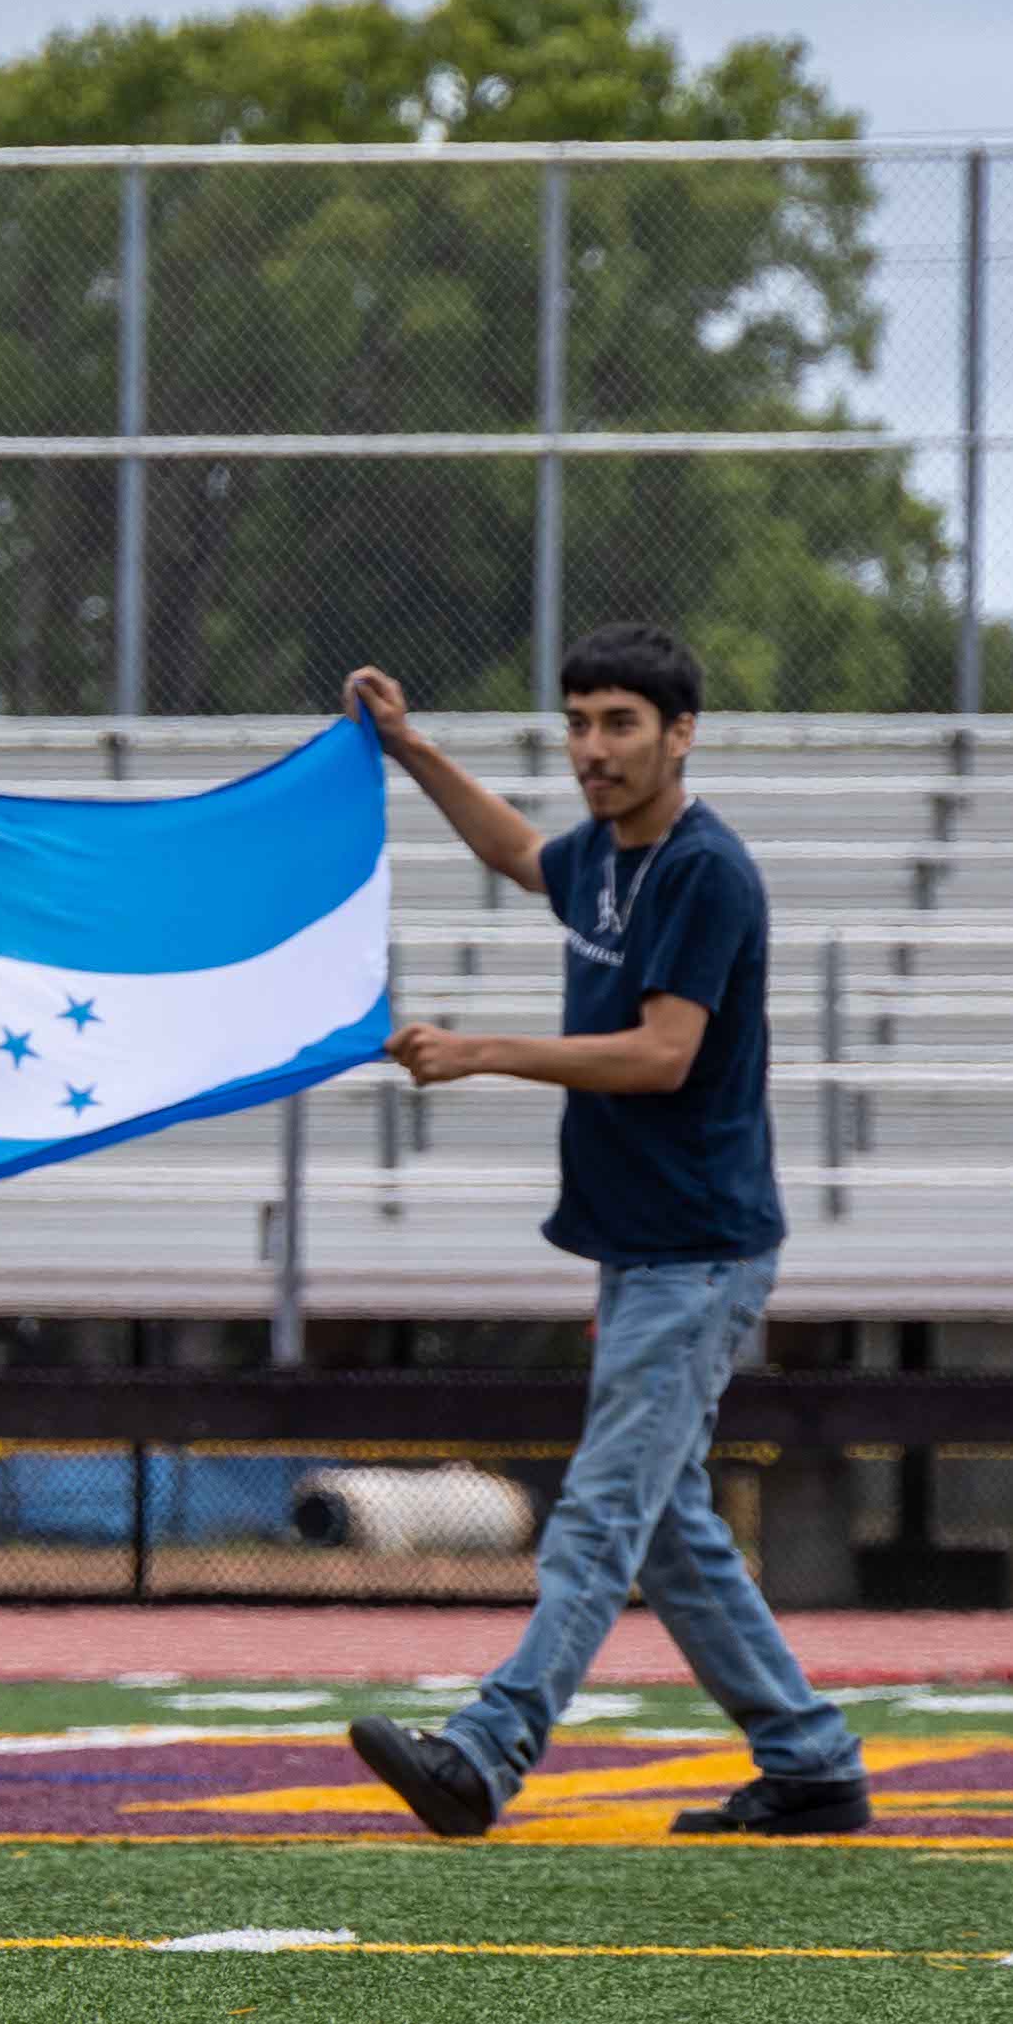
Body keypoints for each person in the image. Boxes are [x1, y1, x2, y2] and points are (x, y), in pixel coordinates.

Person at [330, 625, 874, 1843]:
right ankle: (812, 1762)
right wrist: (413, 749)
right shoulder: (609, 859)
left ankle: (484, 1751)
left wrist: (481, 1051)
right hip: (642, 1249)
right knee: (669, 1532)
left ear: (681, 735)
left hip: (699, 1251)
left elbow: (662, 1053)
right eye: (578, 723)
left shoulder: (704, 872)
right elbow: (520, 852)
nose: (593, 748)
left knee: (599, 1513)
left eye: (621, 724)